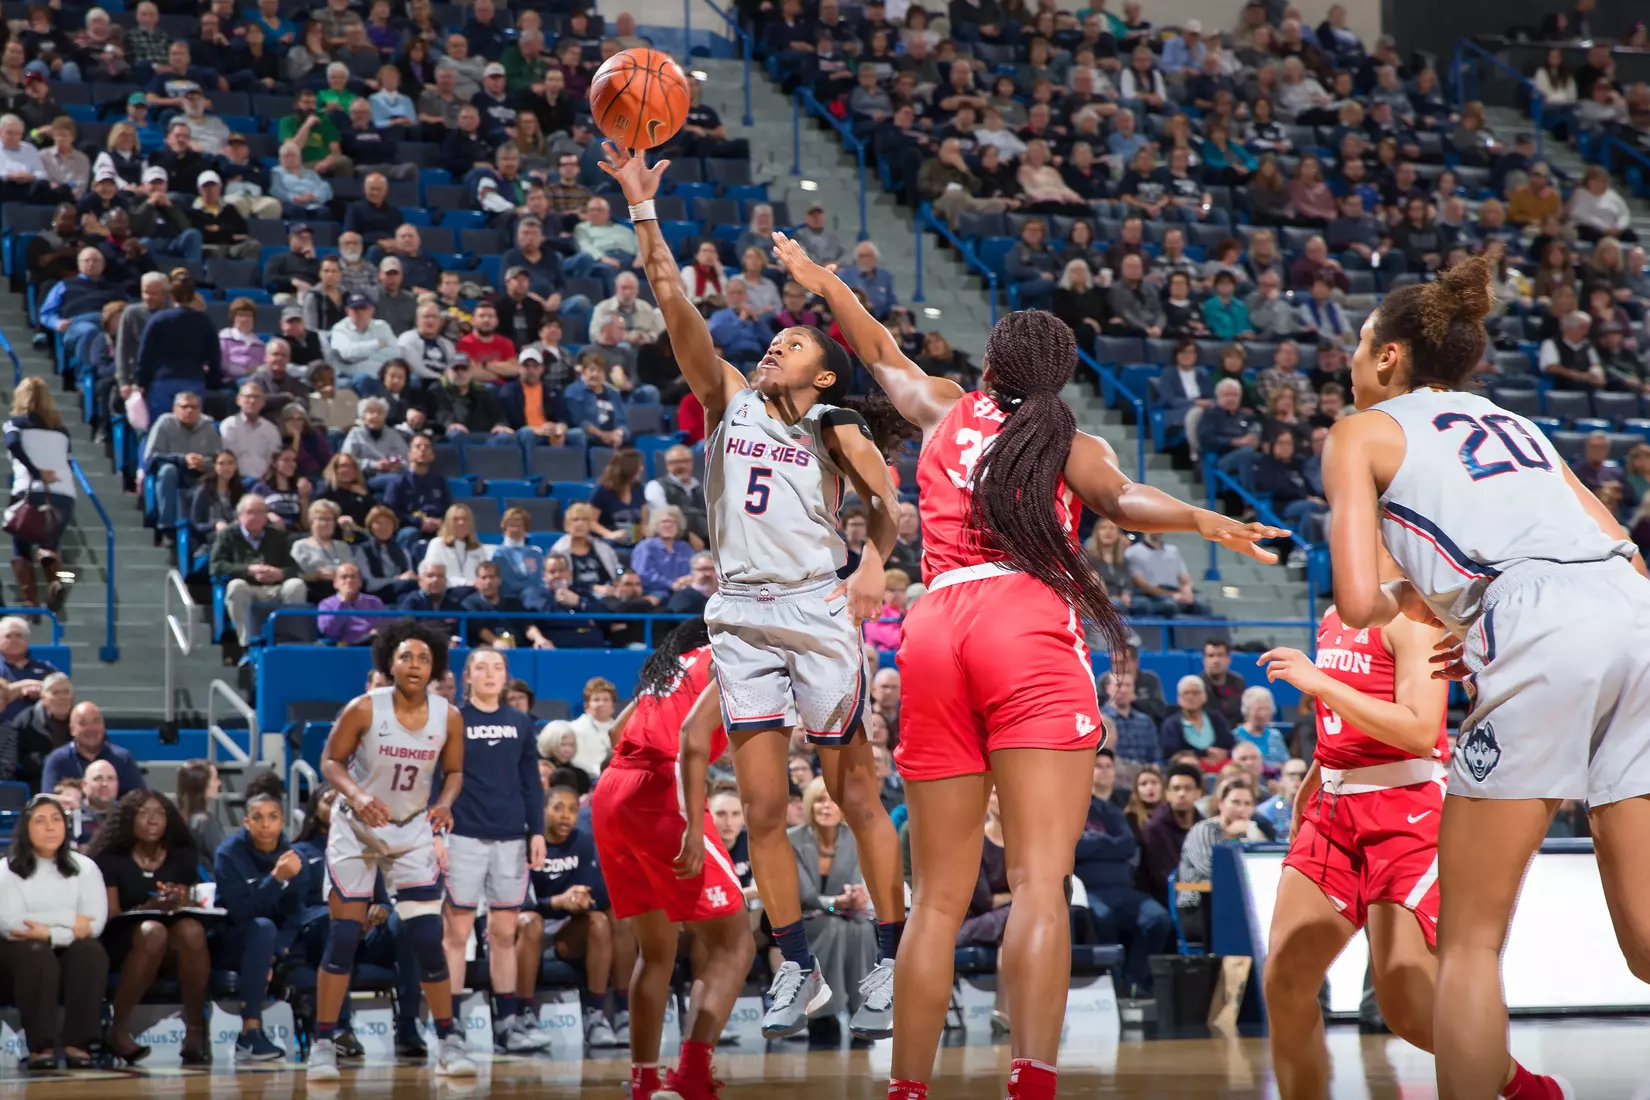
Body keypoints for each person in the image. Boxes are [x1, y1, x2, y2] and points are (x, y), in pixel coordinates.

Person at [768, 235, 1278, 1100]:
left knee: (936, 899)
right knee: (1043, 885)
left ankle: (907, 1089)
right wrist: (1207, 520)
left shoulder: (945, 408)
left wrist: (822, 283)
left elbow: (877, 348)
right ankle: (1032, 1081)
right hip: (1022, 622)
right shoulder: (1063, 439)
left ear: (993, 363)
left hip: (932, 623)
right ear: (1059, 375)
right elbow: (1125, 502)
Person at [607, 144, 909, 1041]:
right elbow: (672, 300)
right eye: (775, 338)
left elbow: (888, 505)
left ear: (823, 371)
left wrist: (870, 566)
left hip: (817, 607)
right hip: (739, 614)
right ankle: (796, 968)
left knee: (856, 793)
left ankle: (890, 956)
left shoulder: (834, 421)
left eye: (797, 342)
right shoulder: (728, 397)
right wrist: (642, 212)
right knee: (767, 809)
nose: (776, 343)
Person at [1321, 246, 1637, 1100]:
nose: (1349, 361)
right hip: (1628, 608)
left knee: (1467, 943)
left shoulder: (1358, 431)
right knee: (1645, 939)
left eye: (1357, 345)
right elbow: (1621, 546)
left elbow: (1355, 601)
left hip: (1539, 621)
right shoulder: (1518, 423)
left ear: (1389, 355)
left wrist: (1484, 614)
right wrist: (1490, 612)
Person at [589, 619, 755, 1100]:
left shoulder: (668, 670)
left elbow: (618, 729)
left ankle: (643, 1080)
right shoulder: (723, 658)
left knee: (656, 952)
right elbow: (689, 735)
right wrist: (695, 826)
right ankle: (691, 1076)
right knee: (735, 943)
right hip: (662, 792)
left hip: (613, 792)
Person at [307, 620, 472, 1081]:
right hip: (357, 830)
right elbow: (330, 760)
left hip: (412, 829)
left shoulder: (449, 716)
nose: (415, 665)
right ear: (388, 663)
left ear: (435, 665)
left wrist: (443, 803)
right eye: (405, 657)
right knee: (343, 937)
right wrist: (358, 797)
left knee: (426, 942)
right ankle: (323, 1043)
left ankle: (448, 1038)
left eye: (423, 658)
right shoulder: (364, 708)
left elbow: (455, 772)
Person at [438, 648, 550, 1052]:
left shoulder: (521, 723)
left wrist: (536, 832)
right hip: (464, 837)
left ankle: (507, 1023)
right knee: (457, 934)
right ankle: (448, 1026)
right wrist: (437, 835)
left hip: (510, 840)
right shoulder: (452, 720)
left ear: (505, 677)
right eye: (481, 667)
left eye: (497, 667)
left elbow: (531, 785)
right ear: (466, 676)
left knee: (504, 934)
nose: (489, 674)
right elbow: (439, 781)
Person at [88, 787, 209, 1064]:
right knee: (153, 931)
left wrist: (179, 900)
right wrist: (145, 909)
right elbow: (111, 915)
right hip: (125, 939)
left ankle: (195, 1031)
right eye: (144, 813)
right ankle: (118, 1030)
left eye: (160, 814)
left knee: (192, 930)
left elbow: (192, 901)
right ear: (129, 818)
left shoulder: (181, 855)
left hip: (175, 937)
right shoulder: (111, 858)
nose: (153, 820)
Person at [0, 794, 108, 1071]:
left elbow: (94, 925)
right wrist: (70, 921)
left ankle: (77, 1043)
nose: (50, 827)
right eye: (40, 821)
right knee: (36, 955)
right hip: (17, 952)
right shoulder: (6, 869)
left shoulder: (85, 868)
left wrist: (49, 934)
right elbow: (11, 923)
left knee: (90, 952)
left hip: (67, 946)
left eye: (56, 819)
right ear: (26, 828)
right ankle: (41, 1047)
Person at [213, 792, 306, 1062]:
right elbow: (241, 913)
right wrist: (276, 878)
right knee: (261, 927)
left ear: (282, 822)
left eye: (272, 817)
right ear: (246, 823)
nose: (266, 824)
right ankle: (249, 1032)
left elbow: (295, 915)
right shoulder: (228, 854)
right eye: (258, 818)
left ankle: (330, 1033)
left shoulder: (294, 858)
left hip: (274, 946)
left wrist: (274, 954)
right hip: (233, 939)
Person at [1074, 748, 1170, 998]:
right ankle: (1111, 988)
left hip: (1124, 890)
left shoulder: (1112, 811)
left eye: (1108, 766)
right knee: (1102, 918)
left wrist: (1094, 844)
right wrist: (1107, 843)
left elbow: (1127, 846)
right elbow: (1073, 848)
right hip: (1090, 891)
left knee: (1158, 918)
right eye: (1098, 766)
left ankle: (1134, 981)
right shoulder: (1069, 807)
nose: (1104, 771)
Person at [6, 378, 75, 611]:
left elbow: (12, 444)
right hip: (65, 494)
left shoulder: (16, 422)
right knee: (52, 546)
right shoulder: (61, 430)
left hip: (30, 492)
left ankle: (30, 603)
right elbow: (67, 459)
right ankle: (63, 580)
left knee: (21, 547)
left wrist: (36, 471)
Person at [210, 494, 307, 650]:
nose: (256, 516)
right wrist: (247, 570)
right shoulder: (229, 534)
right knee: (236, 586)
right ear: (240, 515)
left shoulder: (276, 536)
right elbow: (216, 567)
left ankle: (290, 639)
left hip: (275, 587)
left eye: (261, 512)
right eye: (251, 512)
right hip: (248, 587)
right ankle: (248, 644)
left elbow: (294, 569)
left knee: (296, 585)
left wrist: (279, 573)